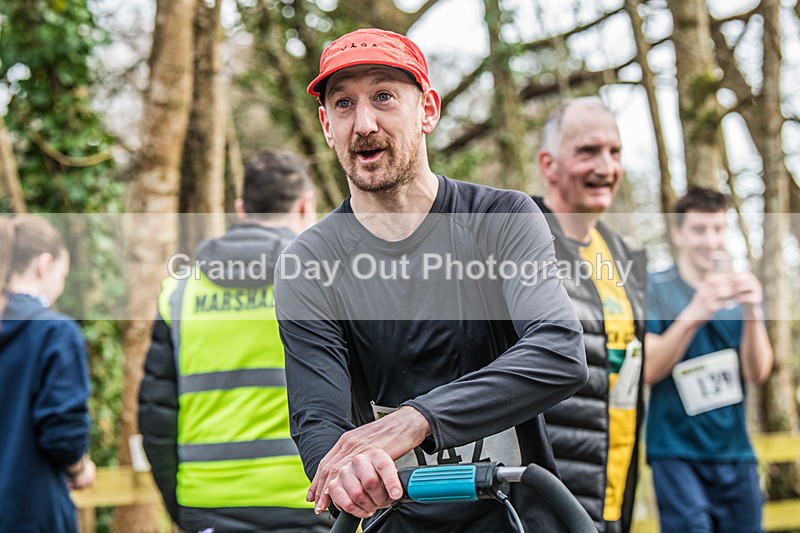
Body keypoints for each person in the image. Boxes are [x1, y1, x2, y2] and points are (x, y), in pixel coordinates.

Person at [274, 28, 588, 532]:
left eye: (383, 96)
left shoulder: (500, 218)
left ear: (428, 110)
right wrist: (347, 475)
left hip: (517, 518)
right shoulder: (309, 262)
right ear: (327, 126)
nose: (364, 124)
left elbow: (558, 352)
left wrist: (415, 422)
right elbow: (320, 423)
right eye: (343, 104)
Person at [137, 150, 329, 532]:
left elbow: (156, 416)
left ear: (241, 208)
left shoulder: (180, 293)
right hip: (310, 498)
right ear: (307, 206)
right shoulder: (325, 283)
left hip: (207, 503)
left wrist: (182, 507)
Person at [533, 97, 647, 533]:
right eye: (588, 151)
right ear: (549, 164)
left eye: (615, 152)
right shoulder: (516, 239)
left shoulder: (621, 254)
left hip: (612, 496)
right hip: (542, 499)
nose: (607, 165)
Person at [645, 187, 772, 533]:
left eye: (718, 229)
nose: (710, 240)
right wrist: (696, 312)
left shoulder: (741, 294)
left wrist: (752, 311)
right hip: (676, 452)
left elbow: (758, 372)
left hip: (736, 453)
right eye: (699, 230)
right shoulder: (654, 287)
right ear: (678, 233)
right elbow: (648, 368)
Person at [0, 215, 96, 533]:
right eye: (63, 274)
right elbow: (62, 434)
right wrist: (80, 468)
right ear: (45, 264)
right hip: (31, 510)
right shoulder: (55, 332)